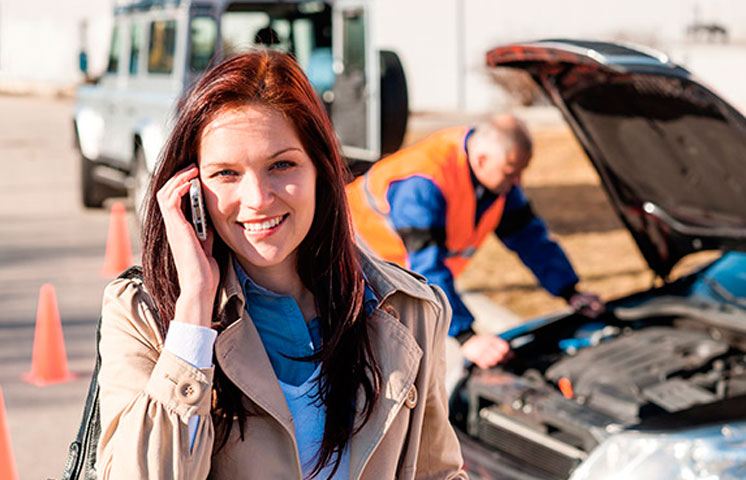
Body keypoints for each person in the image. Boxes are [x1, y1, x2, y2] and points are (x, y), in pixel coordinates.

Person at [96, 50, 467, 480]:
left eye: (282, 165)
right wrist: (193, 313)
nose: (257, 199)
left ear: (320, 171)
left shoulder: (408, 309)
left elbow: (436, 472)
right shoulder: (145, 314)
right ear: (191, 191)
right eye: (226, 174)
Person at [347, 114, 603, 370]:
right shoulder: (423, 183)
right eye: (511, 172)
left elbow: (531, 240)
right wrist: (466, 336)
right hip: (353, 268)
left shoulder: (498, 179)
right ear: (482, 160)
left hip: (399, 277)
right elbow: (425, 268)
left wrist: (570, 291)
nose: (518, 182)